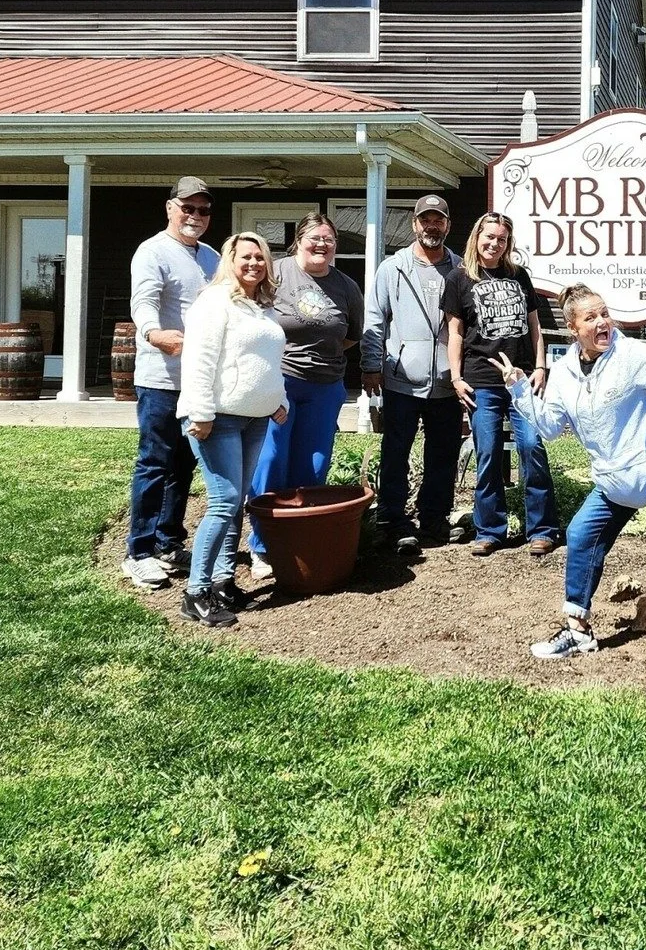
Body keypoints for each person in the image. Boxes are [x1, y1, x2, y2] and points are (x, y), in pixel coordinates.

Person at [497, 285, 646, 668]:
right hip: (619, 478)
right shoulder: (563, 374)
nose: (602, 322)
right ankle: (577, 631)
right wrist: (520, 389)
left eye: (605, 313)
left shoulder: (631, 355)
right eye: (590, 317)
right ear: (573, 328)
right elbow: (550, 428)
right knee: (580, 535)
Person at [243, 213, 364, 585]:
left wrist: (318, 355)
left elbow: (352, 334)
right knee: (271, 460)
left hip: (325, 386)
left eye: (329, 239)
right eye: (315, 237)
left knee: (313, 466)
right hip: (279, 382)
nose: (322, 245)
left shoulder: (345, 286)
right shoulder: (276, 274)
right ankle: (261, 545)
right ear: (299, 240)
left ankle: (298, 541)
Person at [177, 233, 289, 629]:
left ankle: (223, 583)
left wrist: (279, 399)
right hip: (217, 418)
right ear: (230, 260)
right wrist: (200, 412)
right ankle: (195, 592)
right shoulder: (214, 302)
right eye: (246, 257)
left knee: (236, 500)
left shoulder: (262, 307)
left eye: (260, 257)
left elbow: (269, 360)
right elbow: (199, 360)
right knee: (223, 501)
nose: (254, 263)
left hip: (255, 418)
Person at [123, 176, 220, 591]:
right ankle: (139, 551)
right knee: (155, 462)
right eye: (188, 207)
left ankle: (168, 541)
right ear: (170, 208)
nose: (195, 216)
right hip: (161, 379)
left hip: (199, 381)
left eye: (203, 210)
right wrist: (153, 333)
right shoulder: (153, 251)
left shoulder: (213, 257)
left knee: (184, 464)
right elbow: (143, 301)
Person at [444, 213, 561, 557]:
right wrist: (456, 377)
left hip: (521, 380)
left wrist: (540, 366)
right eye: (489, 237)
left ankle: (542, 529)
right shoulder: (459, 279)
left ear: (508, 243)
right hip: (481, 380)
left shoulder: (518, 275)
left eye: (502, 239)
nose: (494, 244)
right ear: (476, 237)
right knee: (488, 451)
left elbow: (534, 327)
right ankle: (490, 530)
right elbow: (455, 333)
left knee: (532, 447)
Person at [360, 194, 465, 558]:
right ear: (414, 224)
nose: (431, 226)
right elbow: (375, 319)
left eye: (438, 220)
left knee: (443, 453)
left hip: (448, 381)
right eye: (425, 220)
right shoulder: (393, 268)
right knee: (396, 452)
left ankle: (434, 518)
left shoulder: (461, 269)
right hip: (401, 378)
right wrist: (371, 365)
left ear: (448, 225)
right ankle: (393, 521)